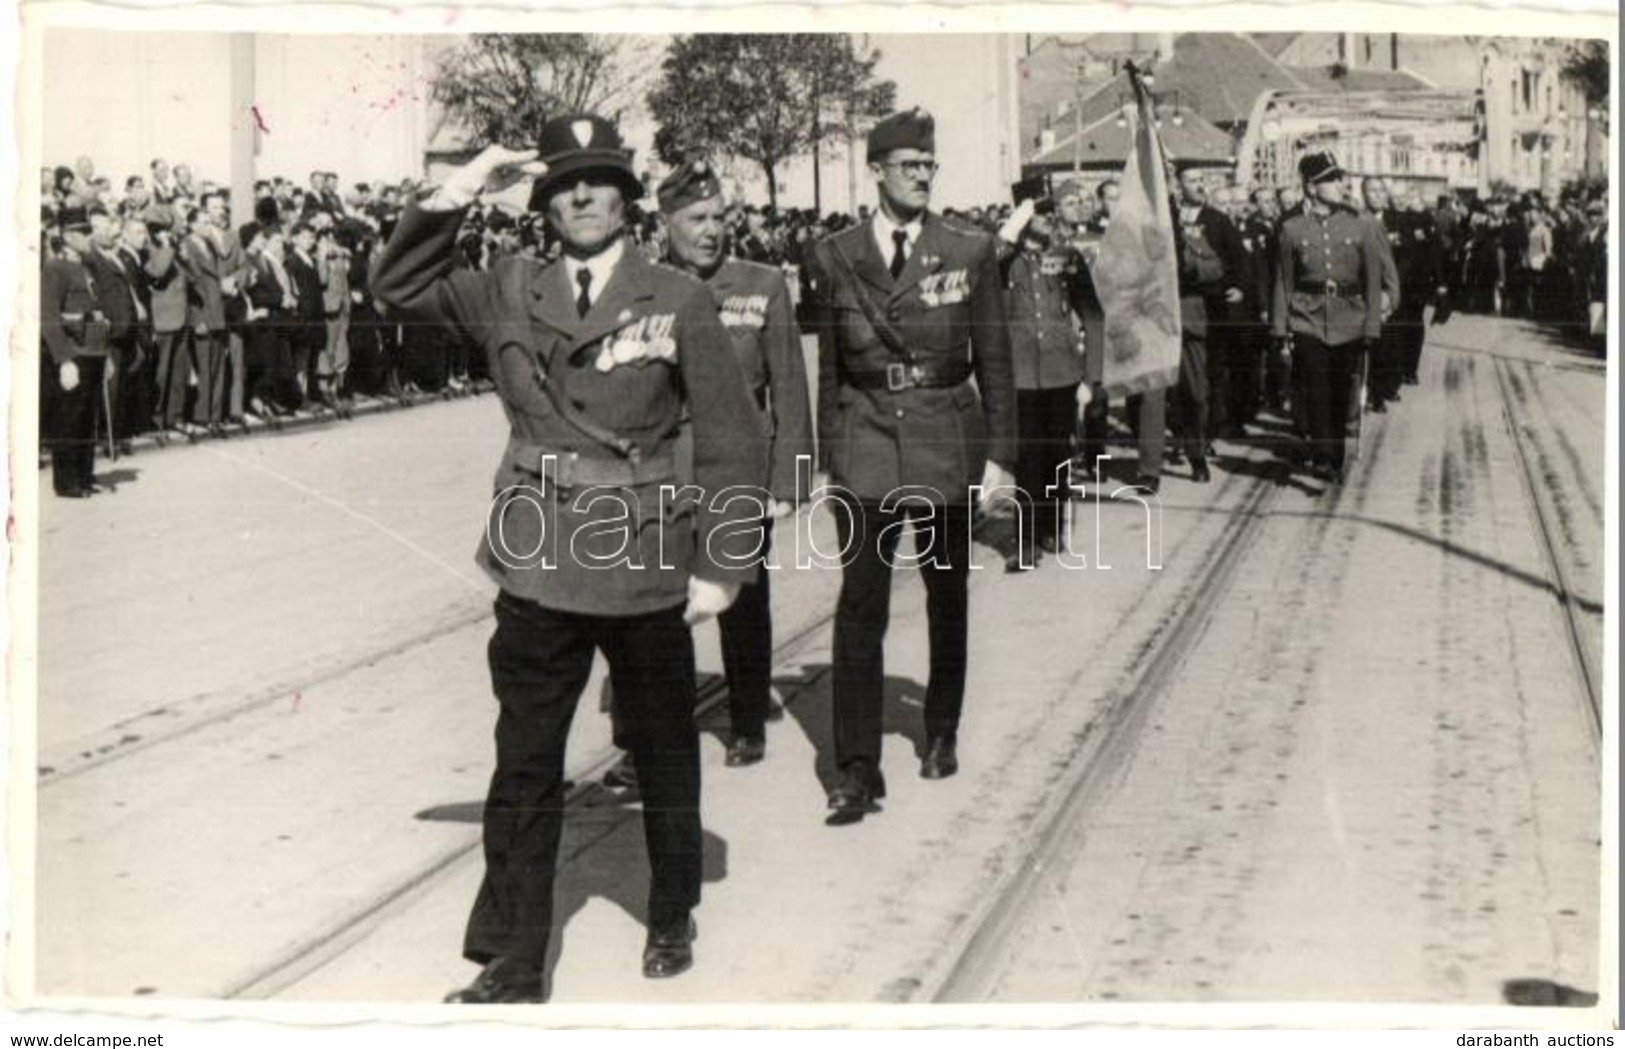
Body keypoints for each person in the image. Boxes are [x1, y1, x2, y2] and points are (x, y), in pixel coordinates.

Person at [372, 112, 768, 1002]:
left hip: (642, 554)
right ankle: (515, 954)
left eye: (598, 181)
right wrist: (464, 182)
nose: (582, 196)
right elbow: (396, 286)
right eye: (563, 185)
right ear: (543, 204)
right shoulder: (508, 286)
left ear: (628, 198)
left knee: (664, 743)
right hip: (541, 552)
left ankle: (670, 909)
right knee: (525, 756)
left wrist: (722, 564)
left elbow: (732, 439)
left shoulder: (675, 295)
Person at [810, 106, 1016, 824]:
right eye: (908, 166)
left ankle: (941, 728)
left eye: (928, 166)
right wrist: (825, 457)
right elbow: (830, 367)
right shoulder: (834, 255)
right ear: (876, 170)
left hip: (940, 438)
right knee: (858, 606)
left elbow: (994, 357)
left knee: (943, 593)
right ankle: (856, 767)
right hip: (865, 438)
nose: (921, 176)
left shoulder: (968, 249)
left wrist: (999, 458)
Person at [1271, 150, 1385, 482]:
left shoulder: (1360, 225)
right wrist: (1280, 326)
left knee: (1339, 390)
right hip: (1307, 318)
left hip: (1349, 319)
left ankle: (1334, 451)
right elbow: (1284, 280)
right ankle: (1323, 452)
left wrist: (1372, 325)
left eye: (1339, 178)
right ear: (1310, 187)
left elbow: (1373, 280)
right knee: (1315, 387)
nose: (1339, 185)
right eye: (1330, 180)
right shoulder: (1291, 229)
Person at [998, 198, 1086, 567]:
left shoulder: (1067, 258)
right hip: (1020, 374)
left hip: (1062, 371)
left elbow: (1093, 313)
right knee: (1027, 457)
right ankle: (1026, 538)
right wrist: (1012, 225)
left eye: (1051, 215)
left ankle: (1052, 526)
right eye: (1041, 214)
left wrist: (1091, 376)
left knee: (1057, 455)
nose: (1049, 221)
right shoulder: (1004, 261)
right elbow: (986, 257)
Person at [41, 206, 112, 497]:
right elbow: (49, 317)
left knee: (88, 419)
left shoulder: (88, 265)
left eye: (87, 231)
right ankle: (67, 482)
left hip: (94, 351)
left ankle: (84, 475)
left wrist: (106, 355)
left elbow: (97, 310)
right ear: (67, 235)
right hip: (74, 352)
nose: (87, 236)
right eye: (82, 232)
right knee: (69, 418)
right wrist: (64, 359)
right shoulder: (55, 268)